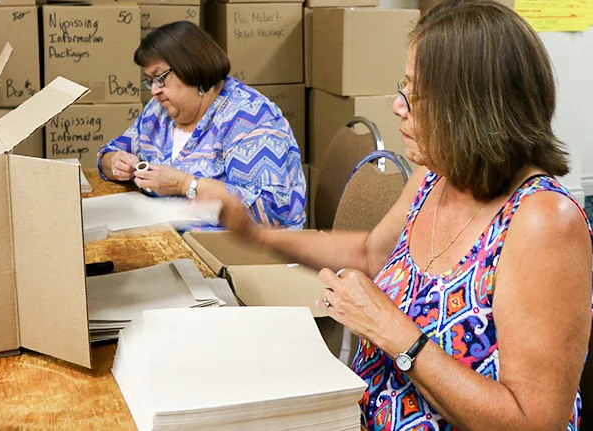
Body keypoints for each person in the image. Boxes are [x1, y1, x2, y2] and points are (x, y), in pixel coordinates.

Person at [211, 1, 593, 429]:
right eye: (402, 86)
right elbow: (371, 253)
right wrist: (258, 234)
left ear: (472, 108)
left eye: (415, 93)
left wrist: (393, 332)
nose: (397, 105)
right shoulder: (437, 173)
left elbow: (534, 421)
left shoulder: (543, 222)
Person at [97, 21, 306, 230]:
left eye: (160, 78)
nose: (154, 90)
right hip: (171, 240)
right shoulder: (159, 111)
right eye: (150, 81)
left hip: (240, 252)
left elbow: (269, 210)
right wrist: (116, 162)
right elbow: (110, 153)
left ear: (192, 67)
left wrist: (184, 185)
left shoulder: (249, 117)